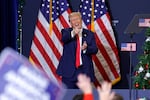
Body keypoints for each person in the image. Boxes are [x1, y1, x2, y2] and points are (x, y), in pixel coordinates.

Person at [56, 12, 98, 89]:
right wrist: (73, 33)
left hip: (84, 71)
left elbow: (95, 49)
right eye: (73, 20)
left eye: (77, 19)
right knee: (68, 96)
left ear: (81, 20)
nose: (76, 22)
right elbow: (64, 38)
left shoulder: (89, 34)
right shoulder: (66, 32)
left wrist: (86, 49)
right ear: (70, 23)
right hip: (69, 72)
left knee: (85, 96)